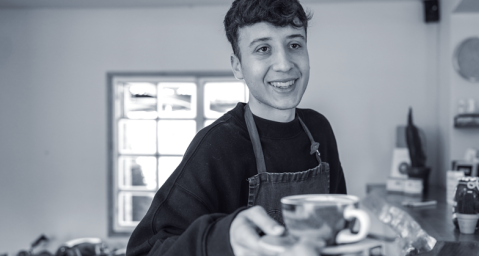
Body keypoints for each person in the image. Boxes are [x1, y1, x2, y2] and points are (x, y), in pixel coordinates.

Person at [126, 0, 347, 255]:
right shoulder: (217, 145)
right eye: (263, 49)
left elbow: (338, 228)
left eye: (294, 45)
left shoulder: (319, 130)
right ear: (237, 66)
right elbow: (144, 250)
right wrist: (222, 238)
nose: (284, 64)